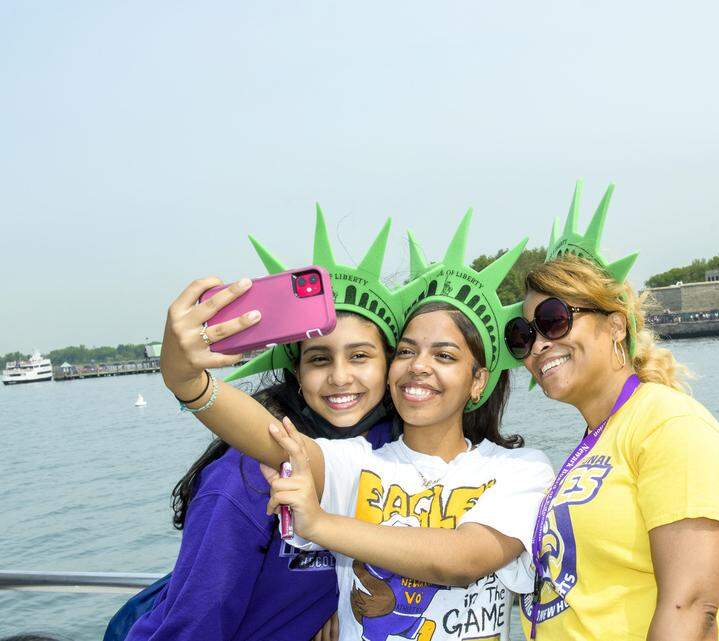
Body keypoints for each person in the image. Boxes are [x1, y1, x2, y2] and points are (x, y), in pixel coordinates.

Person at [160, 211, 553, 641]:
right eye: (407, 352)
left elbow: (462, 560)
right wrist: (188, 382)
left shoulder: (521, 470)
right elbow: (275, 440)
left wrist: (320, 526)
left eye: (444, 356)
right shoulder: (356, 461)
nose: (419, 367)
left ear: (478, 380)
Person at [122, 209, 404, 641]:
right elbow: (195, 621)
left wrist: (344, 610)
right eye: (319, 359)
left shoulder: (395, 448)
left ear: (390, 366)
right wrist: (184, 378)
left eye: (360, 356)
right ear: (296, 373)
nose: (341, 377)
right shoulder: (248, 477)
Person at [508, 183, 719, 640]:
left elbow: (690, 607)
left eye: (554, 320)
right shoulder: (600, 436)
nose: (539, 344)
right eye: (524, 335)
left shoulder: (670, 426)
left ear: (615, 324)